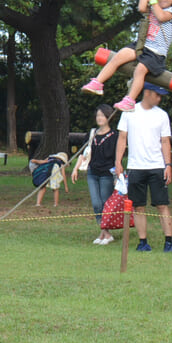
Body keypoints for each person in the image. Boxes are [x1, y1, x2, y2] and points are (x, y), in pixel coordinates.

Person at [82, 0, 172, 112]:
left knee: (140, 69)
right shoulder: (153, 6)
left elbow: (161, 17)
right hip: (141, 45)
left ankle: (130, 100)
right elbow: (141, 7)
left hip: (155, 52)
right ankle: (98, 83)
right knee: (119, 56)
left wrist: (153, 0)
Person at [113, 87, 172, 252]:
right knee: (138, 206)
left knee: (162, 204)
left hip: (157, 166)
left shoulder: (162, 115)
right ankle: (142, 241)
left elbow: (165, 141)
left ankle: (168, 241)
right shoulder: (129, 112)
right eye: (157, 95)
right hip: (135, 166)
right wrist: (118, 161)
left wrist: (167, 165)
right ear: (147, 92)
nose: (159, 99)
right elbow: (122, 138)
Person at [70, 104, 119, 244]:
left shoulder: (115, 136)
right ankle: (104, 232)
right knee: (96, 203)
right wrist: (75, 169)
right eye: (98, 115)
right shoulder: (91, 134)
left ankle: (105, 233)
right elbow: (83, 154)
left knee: (105, 203)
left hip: (107, 174)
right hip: (92, 172)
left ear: (109, 117)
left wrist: (117, 176)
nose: (99, 118)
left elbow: (117, 157)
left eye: (102, 115)